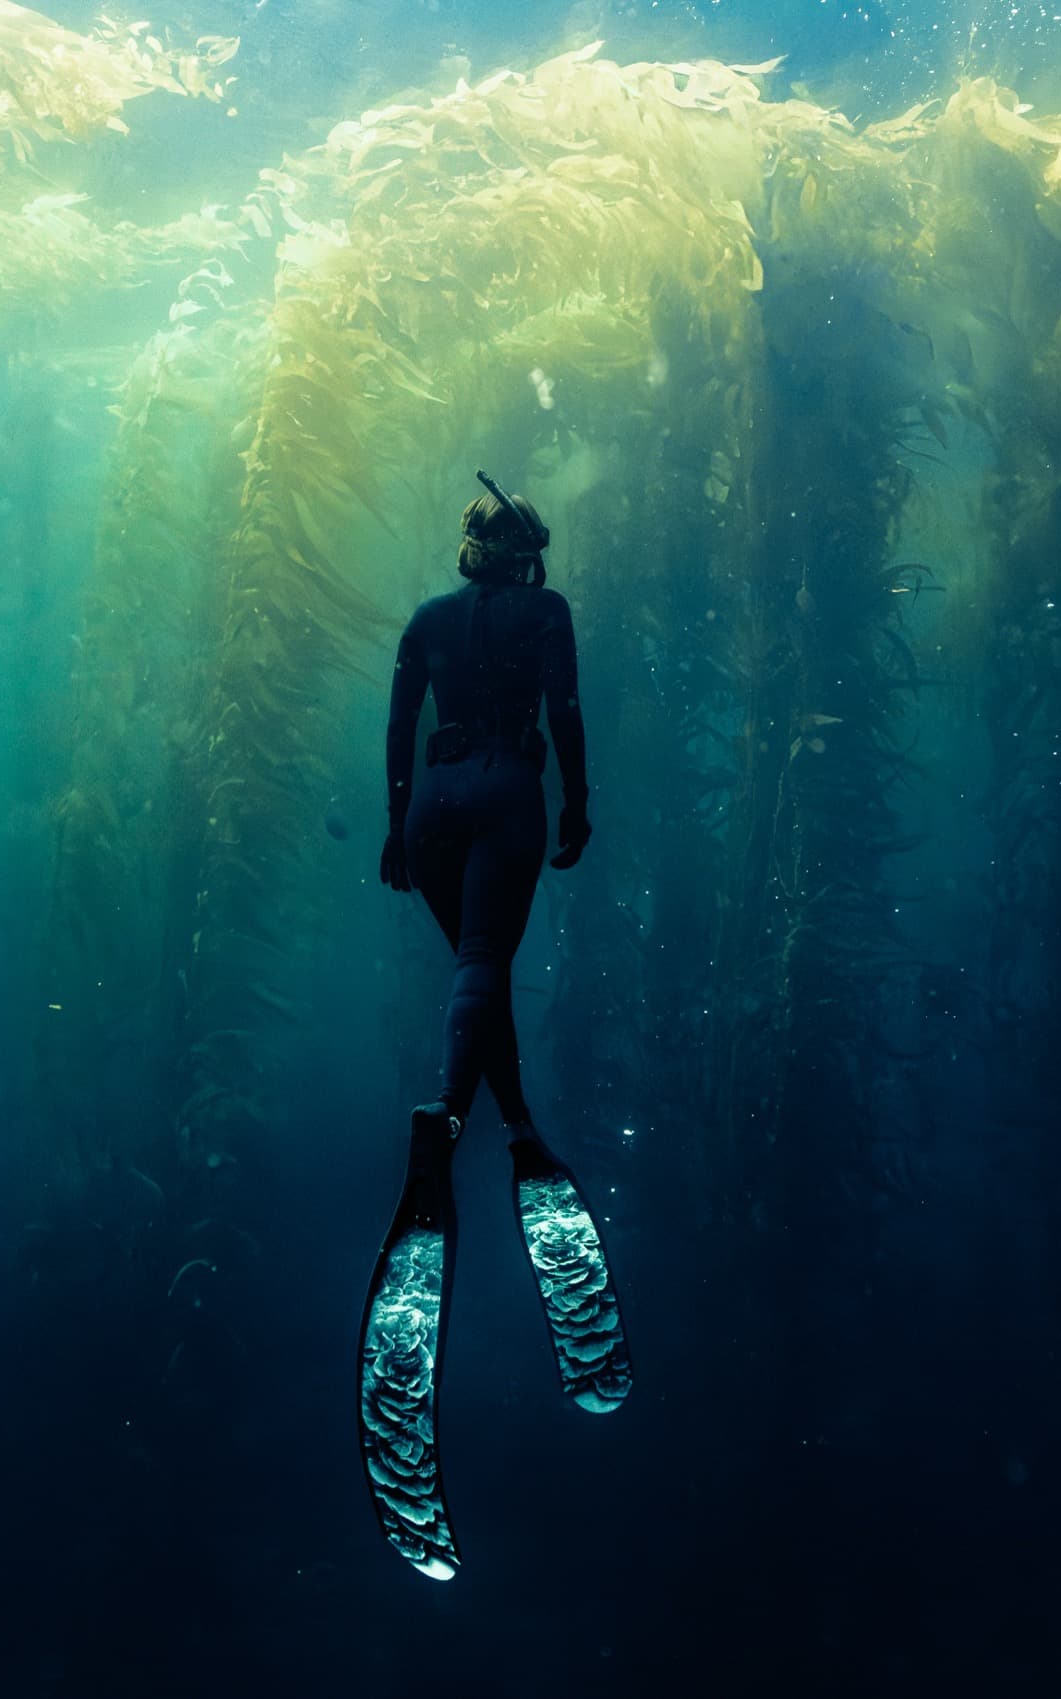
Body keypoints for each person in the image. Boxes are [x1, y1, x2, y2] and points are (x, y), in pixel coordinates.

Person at [354, 473, 632, 1582]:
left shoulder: (426, 621)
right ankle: (449, 1125)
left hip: (433, 803)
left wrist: (394, 825)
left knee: (480, 975)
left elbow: (397, 727)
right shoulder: (546, 611)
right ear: (529, 552)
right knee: (483, 962)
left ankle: (511, 1119)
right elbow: (565, 710)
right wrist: (579, 802)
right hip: (509, 784)